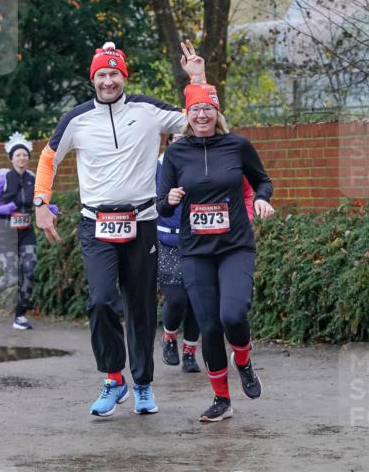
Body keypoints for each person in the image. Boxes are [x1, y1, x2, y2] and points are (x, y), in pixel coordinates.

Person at [34, 40, 205, 418]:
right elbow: (48, 158)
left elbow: (199, 120)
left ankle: (143, 384)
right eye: (102, 74)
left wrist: (197, 78)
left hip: (143, 223)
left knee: (141, 307)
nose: (108, 80)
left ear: (123, 76)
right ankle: (114, 379)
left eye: (114, 74)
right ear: (92, 79)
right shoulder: (76, 119)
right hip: (96, 225)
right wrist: (41, 203)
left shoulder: (148, 110)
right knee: (100, 300)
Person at [157, 84, 275, 422]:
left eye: (208, 109)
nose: (202, 115)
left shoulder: (237, 145)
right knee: (208, 327)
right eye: (195, 110)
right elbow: (161, 205)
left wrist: (263, 199)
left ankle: (244, 360)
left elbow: (262, 181)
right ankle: (221, 400)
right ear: (188, 116)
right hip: (195, 251)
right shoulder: (177, 154)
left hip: (235, 246)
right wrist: (172, 200)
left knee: (233, 316)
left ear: (217, 114)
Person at [0, 133, 57, 330]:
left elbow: (40, 201)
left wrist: (50, 208)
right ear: (11, 158)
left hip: (26, 232)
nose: (22, 158)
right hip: (5, 232)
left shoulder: (33, 179)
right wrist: (5, 209)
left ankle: (20, 316)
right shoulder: (2, 179)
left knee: (29, 272)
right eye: (18, 155)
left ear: (28, 159)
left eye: (25, 155)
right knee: (12, 276)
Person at [156, 136, 201, 373]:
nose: (181, 140)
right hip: (168, 241)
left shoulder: (201, 163)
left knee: (197, 300)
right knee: (177, 298)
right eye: (176, 137)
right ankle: (169, 336)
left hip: (197, 240)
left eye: (185, 135)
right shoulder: (157, 166)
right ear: (168, 141)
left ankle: (190, 352)